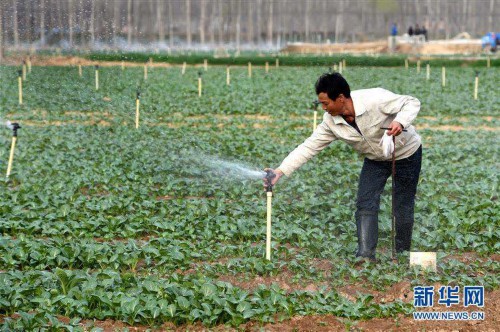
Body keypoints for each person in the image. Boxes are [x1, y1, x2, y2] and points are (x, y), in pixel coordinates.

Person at [264, 73, 423, 261]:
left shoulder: (374, 99)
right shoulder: (331, 121)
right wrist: (280, 171)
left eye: (325, 103)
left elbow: (412, 102)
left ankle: (403, 253)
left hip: (406, 154)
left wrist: (400, 121)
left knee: (402, 204)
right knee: (365, 202)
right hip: (375, 159)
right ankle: (365, 256)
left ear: (340, 98)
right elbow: (309, 146)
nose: (323, 108)